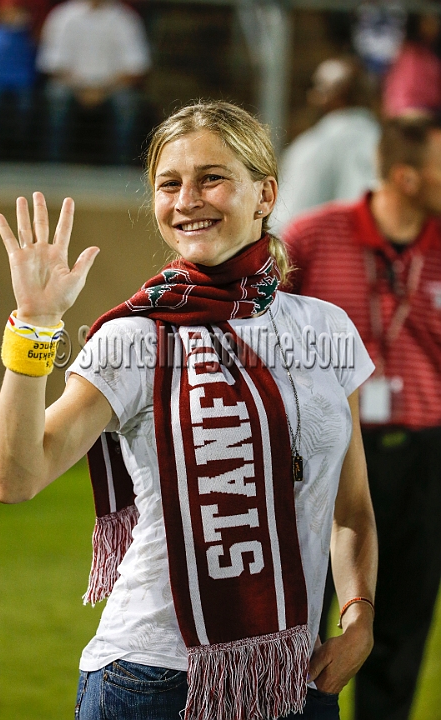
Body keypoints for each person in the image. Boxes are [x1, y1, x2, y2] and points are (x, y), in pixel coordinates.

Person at [0, 100, 377, 720]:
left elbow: (351, 505)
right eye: (169, 184)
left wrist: (358, 617)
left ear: (265, 193)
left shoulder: (326, 329)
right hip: (152, 682)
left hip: (295, 681)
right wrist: (34, 327)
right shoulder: (136, 336)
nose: (187, 199)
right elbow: (17, 476)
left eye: (211, 178)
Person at [282, 116, 441, 720]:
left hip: (425, 455)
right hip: (326, 454)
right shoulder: (314, 237)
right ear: (406, 177)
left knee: (402, 628)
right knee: (303, 624)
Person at [270, 56, 380, 234]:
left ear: (326, 97)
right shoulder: (389, 145)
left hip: (324, 255)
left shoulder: (314, 146)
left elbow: (287, 222)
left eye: (317, 89)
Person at [36, 0, 150, 163]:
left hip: (113, 88)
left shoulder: (124, 18)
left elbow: (136, 67)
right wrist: (82, 89)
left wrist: (102, 90)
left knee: (127, 102)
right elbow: (52, 65)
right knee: (57, 95)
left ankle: (120, 167)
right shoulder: (63, 16)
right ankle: (53, 163)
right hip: (71, 85)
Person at [0, 0, 36, 158]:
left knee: (24, 108)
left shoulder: (27, 38)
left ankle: (22, 150)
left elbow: (30, 66)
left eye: (16, 13)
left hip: (21, 85)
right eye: (8, 13)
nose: (13, 17)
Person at [382, 12, 441, 118]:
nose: (436, 25)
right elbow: (404, 97)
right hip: (409, 113)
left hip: (429, 111)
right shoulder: (410, 55)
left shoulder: (429, 52)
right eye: (430, 21)